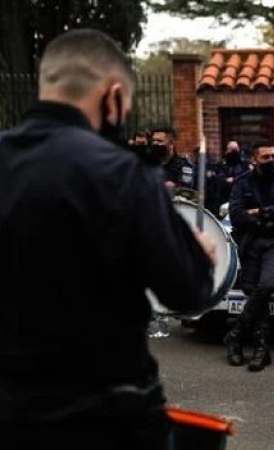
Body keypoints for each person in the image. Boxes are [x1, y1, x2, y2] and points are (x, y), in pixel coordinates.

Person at [0, 29, 217, 449]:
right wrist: (199, 254)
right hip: (104, 416)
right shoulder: (123, 173)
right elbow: (188, 292)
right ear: (112, 95)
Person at [223, 143, 274, 372]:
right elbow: (236, 216)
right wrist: (266, 218)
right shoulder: (242, 183)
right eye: (266, 157)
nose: (272, 160)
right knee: (252, 290)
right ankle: (260, 350)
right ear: (254, 160)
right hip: (250, 243)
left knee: (267, 284)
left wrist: (258, 211)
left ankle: (235, 334)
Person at [152, 126, 196, 193]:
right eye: (154, 140)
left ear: (171, 143)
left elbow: (187, 189)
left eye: (159, 141)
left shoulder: (183, 164)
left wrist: (175, 187)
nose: (155, 143)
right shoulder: (149, 164)